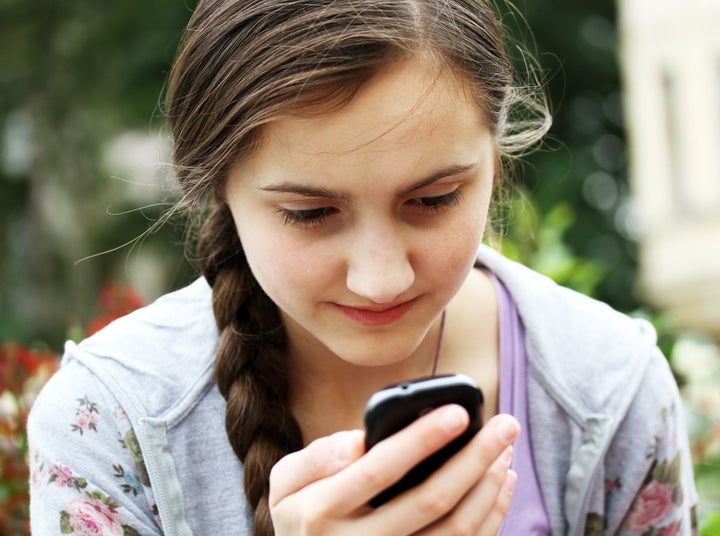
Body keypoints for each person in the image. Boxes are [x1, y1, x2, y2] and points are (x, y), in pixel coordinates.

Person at [27, 0, 698, 534]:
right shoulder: (113, 425)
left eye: (433, 200)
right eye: (310, 213)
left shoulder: (607, 394)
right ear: (217, 187)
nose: (382, 279)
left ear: (497, 159)